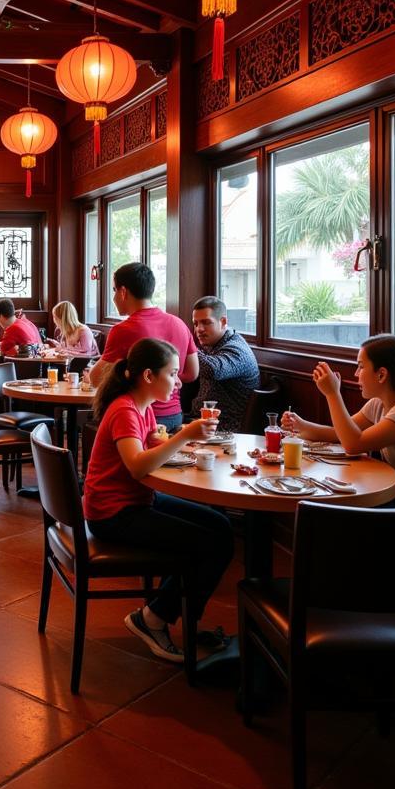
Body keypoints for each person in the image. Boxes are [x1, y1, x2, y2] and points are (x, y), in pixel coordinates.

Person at [85, 339, 234, 663]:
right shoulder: (125, 409)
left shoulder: (143, 405)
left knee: (221, 527)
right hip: (113, 512)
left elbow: (150, 448)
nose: (179, 381)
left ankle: (175, 620)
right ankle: (154, 619)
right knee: (207, 543)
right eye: (173, 373)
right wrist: (184, 436)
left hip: (135, 500)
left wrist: (171, 437)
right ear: (149, 376)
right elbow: (138, 466)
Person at [283, 334, 395, 507]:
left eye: (361, 367)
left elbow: (353, 444)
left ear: (381, 375)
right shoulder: (378, 404)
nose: (356, 374)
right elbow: (339, 433)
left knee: (324, 511)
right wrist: (301, 425)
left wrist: (333, 394)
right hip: (386, 496)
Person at [88, 263, 198, 433]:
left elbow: (96, 379)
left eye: (114, 290)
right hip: (174, 415)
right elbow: (192, 373)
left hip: (138, 415)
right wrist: (166, 377)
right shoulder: (179, 324)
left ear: (123, 292)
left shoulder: (123, 330)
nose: (114, 297)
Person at [190, 296, 259, 432]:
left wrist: (186, 346)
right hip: (204, 422)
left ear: (223, 322)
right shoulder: (212, 344)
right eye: (196, 323)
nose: (199, 329)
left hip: (226, 429)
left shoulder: (237, 349)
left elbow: (213, 370)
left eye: (206, 322)